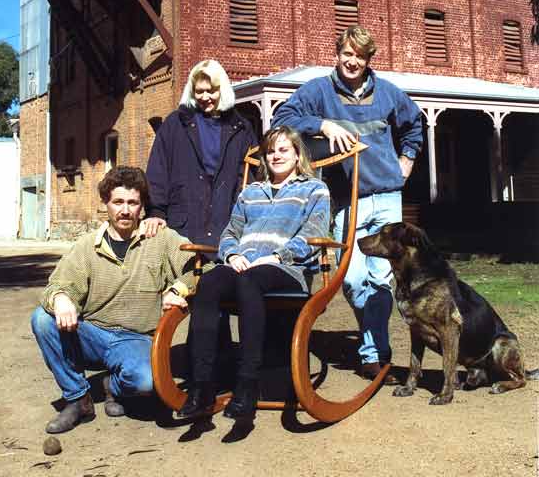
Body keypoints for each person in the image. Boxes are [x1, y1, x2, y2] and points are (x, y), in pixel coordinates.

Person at [272, 25, 423, 383]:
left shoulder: (387, 93)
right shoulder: (319, 91)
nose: (352, 62)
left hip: (387, 199)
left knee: (382, 281)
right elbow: (282, 119)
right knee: (353, 281)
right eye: (346, 54)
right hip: (347, 201)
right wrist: (322, 125)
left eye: (359, 56)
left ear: (369, 59)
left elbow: (414, 124)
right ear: (337, 55)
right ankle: (374, 344)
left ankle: (374, 355)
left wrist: (407, 161)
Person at [30, 167, 200, 434]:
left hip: (136, 339)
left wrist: (179, 288)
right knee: (42, 318)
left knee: (145, 382)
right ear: (106, 204)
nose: (125, 210)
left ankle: (114, 386)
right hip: (91, 334)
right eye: (118, 202)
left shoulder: (161, 239)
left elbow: (202, 268)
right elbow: (57, 285)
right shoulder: (87, 246)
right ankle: (78, 399)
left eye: (132, 203)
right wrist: (62, 298)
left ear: (142, 206)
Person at [177, 126, 330, 420]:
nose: (276, 155)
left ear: (298, 155)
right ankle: (202, 386)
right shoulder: (250, 192)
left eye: (284, 149)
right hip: (243, 265)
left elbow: (314, 232)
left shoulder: (313, 189)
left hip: (286, 268)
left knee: (249, 282)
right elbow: (231, 231)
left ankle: (246, 384)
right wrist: (232, 254)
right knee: (208, 282)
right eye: (271, 150)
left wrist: (277, 256)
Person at [145, 59, 256, 248]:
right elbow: (158, 170)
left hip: (226, 224)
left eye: (211, 90)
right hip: (183, 223)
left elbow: (250, 177)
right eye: (199, 91)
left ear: (222, 90)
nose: (205, 97)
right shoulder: (175, 124)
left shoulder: (241, 128)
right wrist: (156, 212)